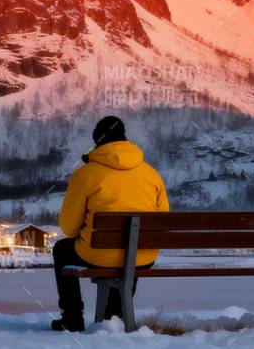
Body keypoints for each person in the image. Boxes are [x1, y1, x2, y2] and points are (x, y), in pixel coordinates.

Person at [50, 116, 169, 332]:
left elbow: (68, 227)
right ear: (125, 140)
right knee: (130, 252)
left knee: (62, 249)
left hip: (97, 254)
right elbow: (162, 221)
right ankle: (113, 315)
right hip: (143, 256)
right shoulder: (151, 174)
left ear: (97, 142)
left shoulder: (85, 174)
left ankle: (72, 317)